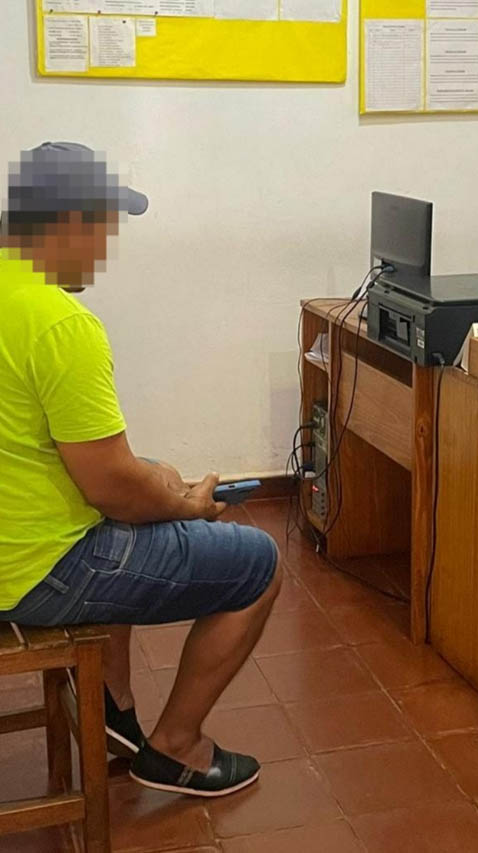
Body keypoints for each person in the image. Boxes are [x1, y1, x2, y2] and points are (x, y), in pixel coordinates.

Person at [0, 142, 282, 797]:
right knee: (258, 564)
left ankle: (111, 710)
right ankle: (177, 747)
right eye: (103, 228)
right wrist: (186, 503)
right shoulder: (58, 322)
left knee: (145, 486)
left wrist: (153, 479)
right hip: (31, 570)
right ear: (70, 222)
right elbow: (114, 491)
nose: (104, 248)